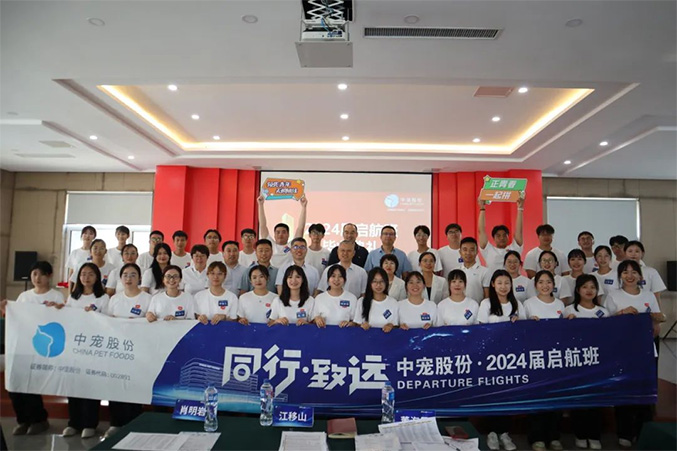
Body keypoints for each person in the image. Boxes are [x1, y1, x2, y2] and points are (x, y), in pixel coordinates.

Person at [606, 260, 665, 448]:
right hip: (621, 351)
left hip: (645, 351)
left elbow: (656, 327)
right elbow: (606, 325)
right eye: (625, 272)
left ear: (640, 275)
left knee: (644, 393)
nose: (629, 276)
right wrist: (621, 314)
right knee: (624, 391)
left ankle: (643, 432)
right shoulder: (613, 296)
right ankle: (625, 432)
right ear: (620, 276)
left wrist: (657, 319)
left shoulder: (649, 296)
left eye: (634, 272)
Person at [8, 261, 63, 436]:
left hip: (43, 348)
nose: (37, 278)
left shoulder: (56, 296)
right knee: (16, 385)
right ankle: (23, 420)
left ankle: (38, 420)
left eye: (41, 274)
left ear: (49, 276)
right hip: (23, 345)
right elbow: (15, 317)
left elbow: (64, 320)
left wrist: (58, 310)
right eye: (34, 274)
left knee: (31, 386)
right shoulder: (24, 297)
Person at [63, 263, 109, 439]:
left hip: (94, 347)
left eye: (90, 274)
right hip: (75, 346)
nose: (86, 277)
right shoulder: (73, 298)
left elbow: (108, 322)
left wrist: (95, 315)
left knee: (91, 385)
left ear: (97, 277)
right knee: (74, 385)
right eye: (83, 274)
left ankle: (89, 424)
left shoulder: (103, 298)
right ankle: (74, 423)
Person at [102, 263, 148, 437]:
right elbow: (107, 322)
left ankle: (133, 421)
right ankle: (115, 423)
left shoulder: (147, 299)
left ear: (140, 278)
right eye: (125, 275)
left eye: (133, 275)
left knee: (134, 385)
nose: (129, 278)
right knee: (116, 384)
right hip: (117, 349)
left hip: (138, 349)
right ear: (120, 279)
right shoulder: (114, 299)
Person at [524, 270, 564, 451]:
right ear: (535, 285)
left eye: (548, 282)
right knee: (536, 398)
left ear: (553, 285)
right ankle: (537, 437)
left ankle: (554, 437)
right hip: (536, 359)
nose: (545, 285)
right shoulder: (528, 304)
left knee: (556, 398)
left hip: (556, 359)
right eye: (541, 282)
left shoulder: (560, 304)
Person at [565, 278, 606, 450]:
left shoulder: (603, 312)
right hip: (577, 363)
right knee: (579, 398)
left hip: (598, 362)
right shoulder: (569, 310)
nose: (589, 290)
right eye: (584, 287)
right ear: (578, 290)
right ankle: (580, 434)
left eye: (593, 287)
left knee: (596, 399)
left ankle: (594, 435)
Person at [257, 194, 307, 268]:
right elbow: (262, 225)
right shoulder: (270, 244)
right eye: (278, 232)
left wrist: (304, 207)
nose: (280, 234)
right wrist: (260, 205)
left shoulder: (292, 245)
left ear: (288, 234)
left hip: (288, 273)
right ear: (274, 235)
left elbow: (301, 227)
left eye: (283, 232)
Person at [478, 196, 524, 271]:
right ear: (493, 238)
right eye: (498, 236)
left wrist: (520, 208)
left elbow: (519, 230)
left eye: (504, 235)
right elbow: (481, 230)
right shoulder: (488, 250)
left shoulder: (515, 248)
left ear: (508, 237)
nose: (502, 238)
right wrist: (482, 208)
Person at [354, 268, 399, 332]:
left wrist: (390, 326)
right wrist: (362, 326)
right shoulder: (361, 301)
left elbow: (396, 325)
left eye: (382, 281)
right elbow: (357, 325)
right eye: (374, 281)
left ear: (386, 282)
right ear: (370, 283)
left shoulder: (393, 302)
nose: (378, 285)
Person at [458, 237, 488, 303]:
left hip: (478, 308)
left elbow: (487, 296)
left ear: (477, 252)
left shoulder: (485, 271)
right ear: (460, 252)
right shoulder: (456, 271)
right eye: (465, 250)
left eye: (471, 250)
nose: (468, 253)